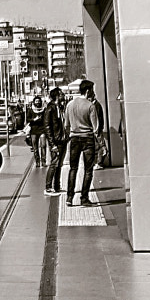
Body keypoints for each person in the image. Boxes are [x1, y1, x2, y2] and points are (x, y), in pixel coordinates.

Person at [63, 79, 105, 207]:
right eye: (92, 90)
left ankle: (69, 198)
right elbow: (96, 128)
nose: (93, 93)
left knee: (73, 168)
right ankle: (84, 198)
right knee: (88, 170)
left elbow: (66, 125)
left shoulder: (69, 105)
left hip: (74, 139)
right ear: (88, 91)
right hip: (87, 139)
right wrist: (102, 145)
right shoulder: (90, 106)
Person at [42, 87, 68, 193]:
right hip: (56, 141)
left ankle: (57, 186)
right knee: (54, 163)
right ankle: (48, 186)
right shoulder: (50, 109)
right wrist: (52, 144)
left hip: (62, 139)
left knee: (59, 164)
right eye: (61, 94)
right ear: (57, 96)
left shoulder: (60, 107)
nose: (63, 95)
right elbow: (47, 127)